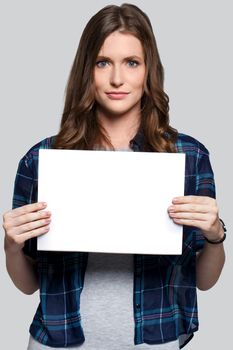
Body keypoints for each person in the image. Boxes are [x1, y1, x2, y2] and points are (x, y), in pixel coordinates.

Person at [3, 3, 226, 350]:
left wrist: (215, 235)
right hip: (58, 341)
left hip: (155, 340)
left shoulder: (188, 156)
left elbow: (205, 281)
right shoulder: (41, 160)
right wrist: (12, 247)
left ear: (148, 70)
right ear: (86, 70)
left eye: (131, 63)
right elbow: (28, 285)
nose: (117, 78)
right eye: (103, 62)